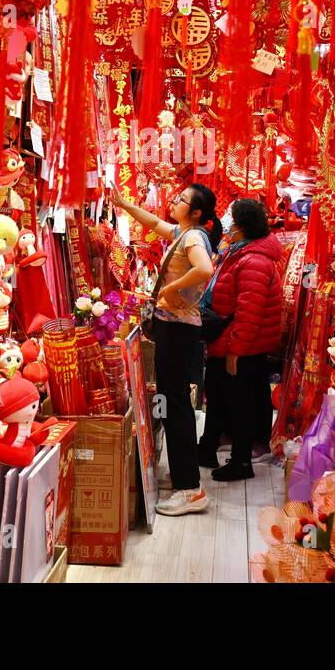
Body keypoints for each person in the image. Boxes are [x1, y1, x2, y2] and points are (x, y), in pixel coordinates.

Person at [112, 183, 220, 515]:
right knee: (172, 403)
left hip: (178, 330)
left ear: (197, 212)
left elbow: (205, 269)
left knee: (176, 406)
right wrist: (123, 204)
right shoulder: (182, 231)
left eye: (183, 200)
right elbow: (154, 224)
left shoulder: (192, 238)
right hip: (174, 329)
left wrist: (172, 286)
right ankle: (182, 476)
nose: (175, 200)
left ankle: (190, 489)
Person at [197, 198, 283, 481]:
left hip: (241, 345)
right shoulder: (241, 252)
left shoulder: (253, 260)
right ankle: (211, 447)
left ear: (243, 226)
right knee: (222, 395)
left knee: (239, 402)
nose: (228, 225)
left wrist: (235, 350)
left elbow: (250, 312)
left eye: (232, 221)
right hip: (230, 339)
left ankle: (241, 461)